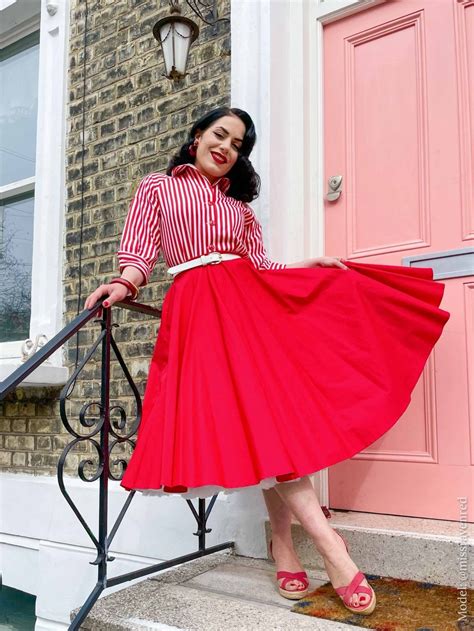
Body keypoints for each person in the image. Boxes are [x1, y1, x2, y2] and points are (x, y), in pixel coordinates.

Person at [84, 106, 450, 615]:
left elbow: (262, 266)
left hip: (248, 305)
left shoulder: (241, 211)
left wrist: (308, 264)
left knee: (268, 426)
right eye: (220, 135)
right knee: (259, 429)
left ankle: (292, 545)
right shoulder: (160, 187)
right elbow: (140, 252)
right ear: (196, 138)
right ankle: (322, 546)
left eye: (237, 144)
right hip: (198, 309)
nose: (227, 148)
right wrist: (122, 284)